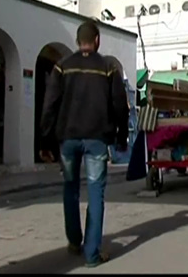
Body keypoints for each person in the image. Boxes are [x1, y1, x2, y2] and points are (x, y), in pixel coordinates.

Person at [39, 21, 129, 268]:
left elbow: (50, 104)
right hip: (97, 139)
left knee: (70, 188)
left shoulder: (62, 66)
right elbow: (120, 105)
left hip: (67, 139)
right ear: (97, 40)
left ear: (78, 42)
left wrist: (45, 139)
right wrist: (121, 137)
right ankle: (92, 254)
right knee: (95, 192)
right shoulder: (108, 67)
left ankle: (74, 241)